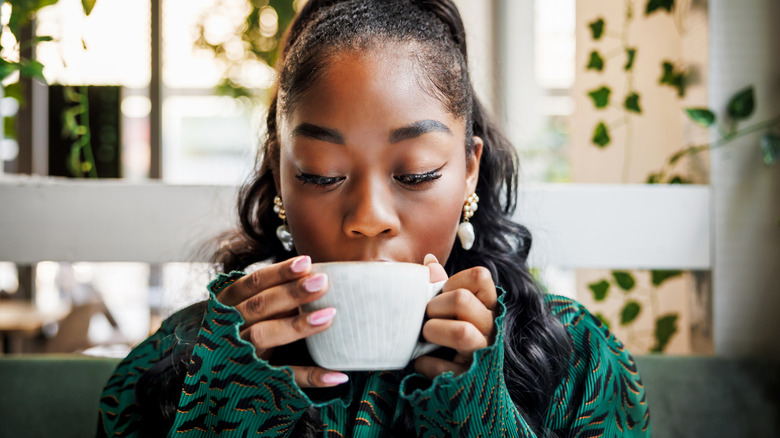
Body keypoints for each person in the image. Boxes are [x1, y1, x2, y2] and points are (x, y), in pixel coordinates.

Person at [98, 0, 650, 436]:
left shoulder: (574, 357)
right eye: (321, 173)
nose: (368, 217)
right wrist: (224, 410)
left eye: (414, 174)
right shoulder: (181, 363)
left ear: (469, 172)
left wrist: (479, 416)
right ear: (281, 176)